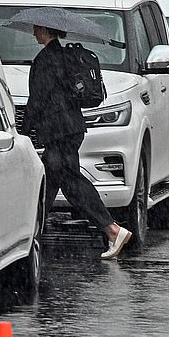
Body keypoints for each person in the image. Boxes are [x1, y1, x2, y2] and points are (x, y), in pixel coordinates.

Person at [20, 24, 132, 260]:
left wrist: (23, 128)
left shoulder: (45, 60)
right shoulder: (66, 55)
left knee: (69, 182)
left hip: (58, 131)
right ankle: (31, 233)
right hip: (71, 127)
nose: (33, 34)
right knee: (53, 181)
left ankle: (112, 229)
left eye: (36, 30)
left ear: (45, 31)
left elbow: (37, 99)